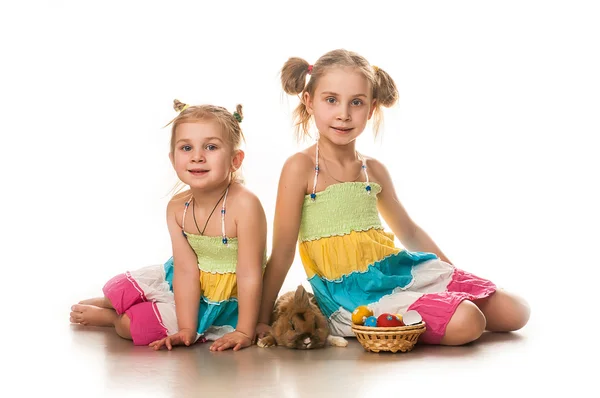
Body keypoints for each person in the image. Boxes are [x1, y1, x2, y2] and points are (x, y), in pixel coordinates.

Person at [256, 49, 530, 345]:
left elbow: (409, 231)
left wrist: (452, 275)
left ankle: (441, 303)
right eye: (331, 100)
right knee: (469, 321)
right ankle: (422, 315)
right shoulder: (301, 167)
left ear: (372, 108)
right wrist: (258, 320)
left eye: (356, 102)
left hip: (394, 271)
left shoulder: (372, 169)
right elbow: (283, 251)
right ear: (309, 102)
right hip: (353, 292)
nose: (344, 113)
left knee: (516, 312)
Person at [70, 100, 267, 351]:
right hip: (184, 285)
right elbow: (185, 271)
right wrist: (185, 328)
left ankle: (112, 318)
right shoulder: (178, 207)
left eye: (211, 147)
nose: (197, 156)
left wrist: (244, 331)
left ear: (235, 159)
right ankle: (114, 303)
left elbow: (249, 274)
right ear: (173, 159)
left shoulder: (245, 205)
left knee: (131, 325)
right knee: (116, 291)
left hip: (225, 300)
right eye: (186, 147)